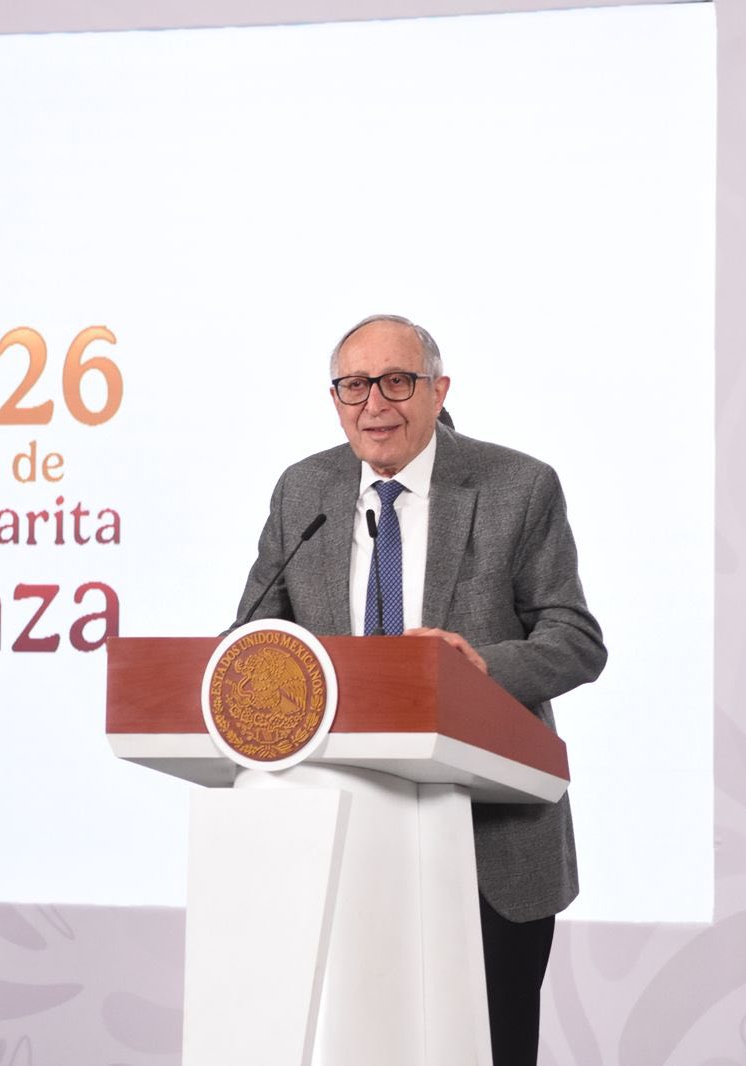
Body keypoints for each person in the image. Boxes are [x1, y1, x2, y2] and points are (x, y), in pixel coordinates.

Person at [234, 313, 606, 1065]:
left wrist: (478, 671)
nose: (375, 403)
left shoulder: (517, 487)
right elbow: (253, 639)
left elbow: (576, 639)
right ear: (335, 399)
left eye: (397, 381)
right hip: (338, 832)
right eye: (354, 385)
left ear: (439, 391)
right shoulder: (303, 491)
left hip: (486, 841)